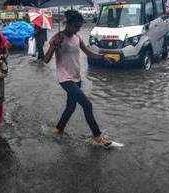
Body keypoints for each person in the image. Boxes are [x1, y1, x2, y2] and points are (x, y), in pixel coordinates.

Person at [43, 10, 115, 147]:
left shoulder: (78, 38)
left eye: (79, 27)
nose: (77, 29)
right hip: (65, 78)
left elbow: (88, 53)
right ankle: (97, 136)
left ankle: (58, 130)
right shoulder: (57, 38)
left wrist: (103, 56)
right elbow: (46, 60)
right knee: (87, 105)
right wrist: (53, 46)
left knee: (70, 107)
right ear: (68, 24)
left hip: (76, 77)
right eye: (76, 26)